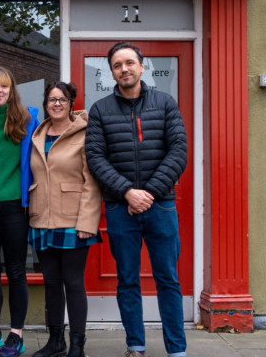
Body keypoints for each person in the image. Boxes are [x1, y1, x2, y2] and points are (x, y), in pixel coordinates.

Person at [85, 42, 188, 357]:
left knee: (168, 279)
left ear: (143, 67)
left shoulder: (166, 103)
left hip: (161, 206)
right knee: (127, 279)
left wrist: (150, 193)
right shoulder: (101, 109)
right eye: (117, 65)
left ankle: (177, 349)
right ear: (112, 72)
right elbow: (95, 157)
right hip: (119, 208)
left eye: (129, 62)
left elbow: (178, 151)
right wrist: (129, 192)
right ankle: (136, 345)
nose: (124, 69)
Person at [28, 82, 101, 357]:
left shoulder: (84, 133)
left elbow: (92, 182)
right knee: (50, 282)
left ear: (71, 102)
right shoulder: (38, 132)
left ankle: (77, 345)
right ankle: (55, 340)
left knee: (73, 282)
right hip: (41, 218)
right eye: (51, 99)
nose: (56, 104)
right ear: (46, 104)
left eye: (62, 99)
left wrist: (87, 222)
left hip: (73, 219)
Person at [0, 67, 39, 357]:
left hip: (14, 207)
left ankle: (17, 334)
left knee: (15, 272)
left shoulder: (27, 118)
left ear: (12, 90)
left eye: (4, 86)